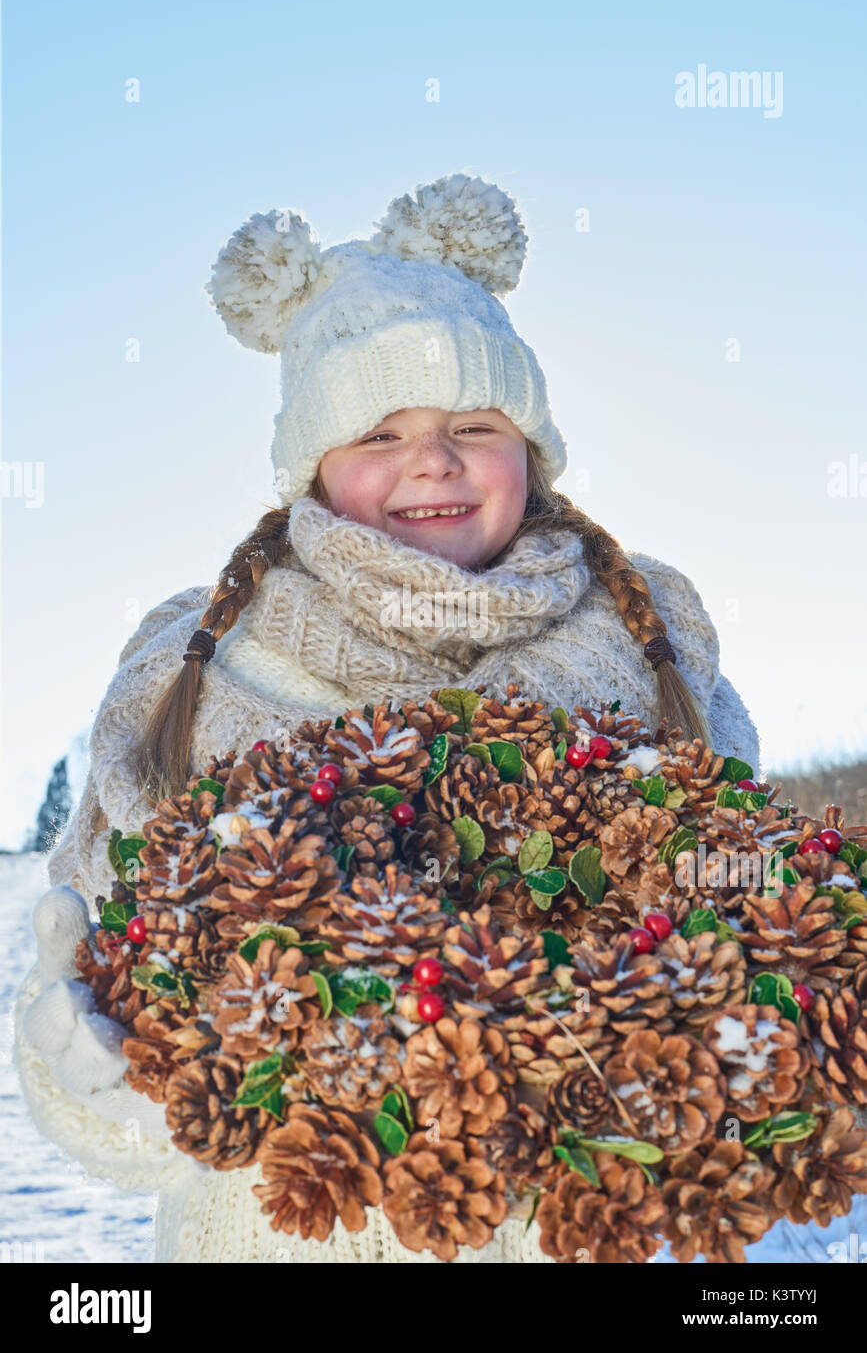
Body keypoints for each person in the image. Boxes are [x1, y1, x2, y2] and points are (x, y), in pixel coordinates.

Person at [15, 171, 797, 1264]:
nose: (431, 458)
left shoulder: (653, 651)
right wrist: (100, 1073)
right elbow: (108, 993)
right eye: (377, 429)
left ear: (531, 452)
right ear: (312, 468)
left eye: (474, 421)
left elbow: (748, 942)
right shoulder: (196, 672)